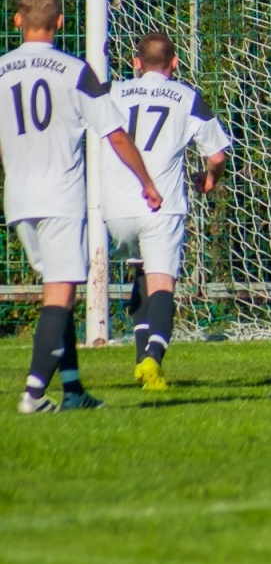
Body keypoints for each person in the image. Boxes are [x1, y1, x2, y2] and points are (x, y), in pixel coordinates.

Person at [2, 0, 162, 413]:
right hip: (60, 198)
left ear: (17, 20)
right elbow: (115, 134)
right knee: (60, 293)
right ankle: (33, 394)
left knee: (57, 291)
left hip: (17, 199)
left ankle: (72, 390)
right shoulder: (74, 71)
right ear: (60, 22)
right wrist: (146, 182)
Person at [103, 31, 231, 391]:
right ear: (174, 63)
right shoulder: (186, 96)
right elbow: (217, 155)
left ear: (136, 64)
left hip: (115, 208)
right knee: (161, 283)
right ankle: (153, 360)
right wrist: (210, 178)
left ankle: (140, 361)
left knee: (140, 274)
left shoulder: (114, 91)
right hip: (161, 204)